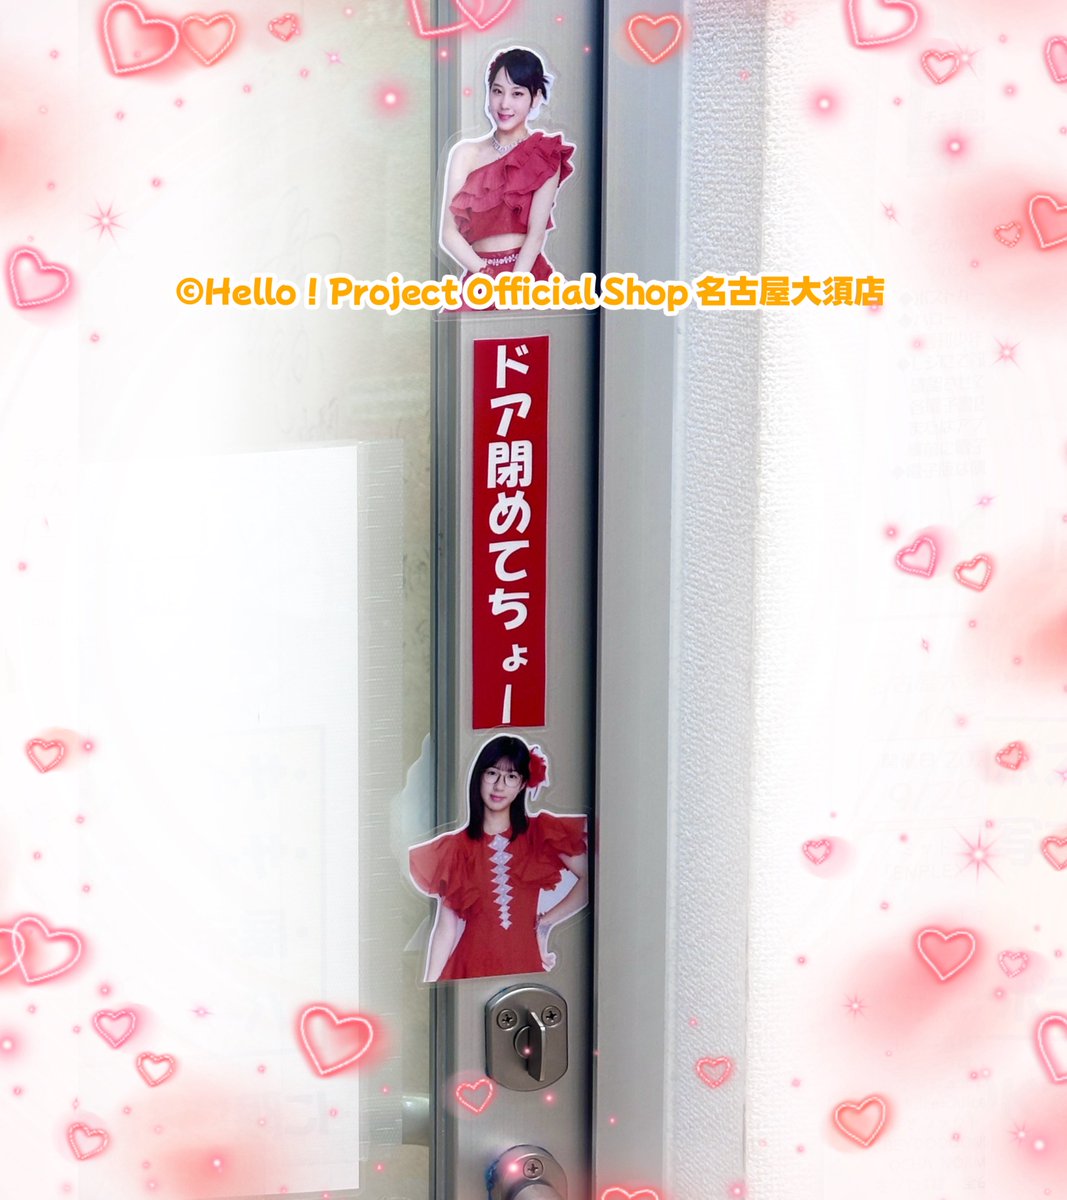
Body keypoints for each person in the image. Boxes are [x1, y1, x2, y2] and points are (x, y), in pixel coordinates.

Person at [409, 735, 588, 982]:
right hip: (469, 968)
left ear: (522, 784)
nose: (500, 786)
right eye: (492, 773)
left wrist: (545, 924)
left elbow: (592, 879)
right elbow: (446, 929)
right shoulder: (456, 848)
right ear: (479, 776)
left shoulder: (540, 833)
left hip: (525, 964)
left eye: (511, 776)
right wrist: (431, 986)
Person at [439, 47, 575, 299]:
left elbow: (535, 235)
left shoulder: (545, 154)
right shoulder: (465, 154)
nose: (504, 104)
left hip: (528, 278)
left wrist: (513, 289)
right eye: (497, 91)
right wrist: (488, 277)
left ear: (535, 98)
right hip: (481, 278)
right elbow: (448, 233)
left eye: (517, 93)